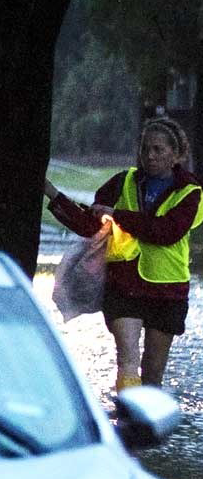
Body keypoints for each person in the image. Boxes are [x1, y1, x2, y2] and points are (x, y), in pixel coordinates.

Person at [47, 117, 202, 390]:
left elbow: (166, 232)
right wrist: (52, 194)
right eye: (145, 149)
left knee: (153, 372)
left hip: (167, 290)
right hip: (124, 285)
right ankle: (127, 420)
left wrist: (117, 215)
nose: (149, 156)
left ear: (176, 155)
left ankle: (147, 425)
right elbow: (90, 224)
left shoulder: (191, 193)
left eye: (158, 150)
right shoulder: (122, 182)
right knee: (127, 361)